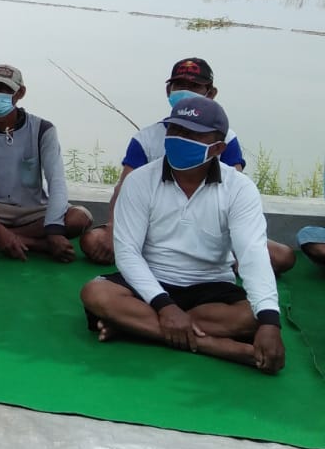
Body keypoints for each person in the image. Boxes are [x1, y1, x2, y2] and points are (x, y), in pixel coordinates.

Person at [80, 97, 285, 374]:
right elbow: (127, 252)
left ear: (218, 148)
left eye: (191, 134)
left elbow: (252, 254)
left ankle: (135, 327)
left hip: (210, 285)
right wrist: (165, 306)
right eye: (175, 130)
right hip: (151, 279)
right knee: (95, 292)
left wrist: (270, 322)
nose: (178, 139)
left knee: (253, 316)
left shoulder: (239, 189)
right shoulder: (140, 180)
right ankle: (214, 345)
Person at [80, 58, 296, 274]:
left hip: (211, 233)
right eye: (180, 85)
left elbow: (235, 190)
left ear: (211, 93)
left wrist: (241, 244)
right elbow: (123, 189)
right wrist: (113, 227)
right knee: (93, 241)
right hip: (153, 230)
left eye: (194, 86)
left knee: (281, 256)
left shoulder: (226, 139)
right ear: (168, 90)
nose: (186, 91)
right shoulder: (145, 138)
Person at [0, 64, 92, 261]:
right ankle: (36, 245)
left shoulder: (43, 129)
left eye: (5, 89)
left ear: (20, 93)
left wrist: (54, 229)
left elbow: (56, 181)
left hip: (34, 209)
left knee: (80, 217)